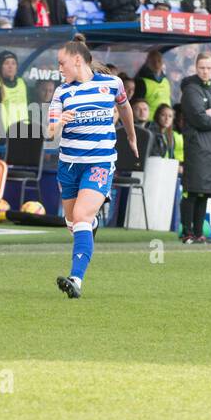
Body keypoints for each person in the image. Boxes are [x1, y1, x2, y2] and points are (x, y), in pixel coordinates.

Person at [47, 37, 137, 298]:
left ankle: (76, 279)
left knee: (82, 217)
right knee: (72, 220)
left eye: (61, 63)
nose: (59, 68)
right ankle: (89, 224)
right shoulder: (62, 92)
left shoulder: (111, 84)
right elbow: (49, 134)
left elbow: (125, 107)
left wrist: (130, 136)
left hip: (99, 162)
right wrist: (58, 123)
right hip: (69, 165)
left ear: (77, 60)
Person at [178, 53, 211, 244]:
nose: (205, 71)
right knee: (192, 191)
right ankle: (187, 232)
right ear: (196, 67)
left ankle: (199, 233)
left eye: (209, 68)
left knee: (204, 193)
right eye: (202, 67)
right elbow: (199, 119)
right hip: (197, 149)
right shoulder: (191, 90)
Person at [0, 50, 29, 140]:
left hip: (23, 134)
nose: (10, 66)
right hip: (3, 137)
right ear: (0, 66)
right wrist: (2, 135)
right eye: (6, 63)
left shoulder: (22, 82)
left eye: (13, 63)